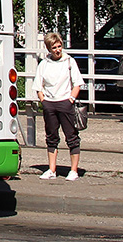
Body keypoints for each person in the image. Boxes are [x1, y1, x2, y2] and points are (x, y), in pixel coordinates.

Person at [36, 31, 84, 180]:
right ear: (49, 49)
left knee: (71, 136)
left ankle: (74, 170)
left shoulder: (69, 61)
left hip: (65, 103)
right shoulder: (44, 64)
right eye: (54, 47)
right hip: (50, 103)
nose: (57, 50)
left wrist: (70, 99)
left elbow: (78, 83)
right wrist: (43, 100)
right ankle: (51, 169)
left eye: (59, 46)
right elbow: (39, 85)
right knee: (51, 136)